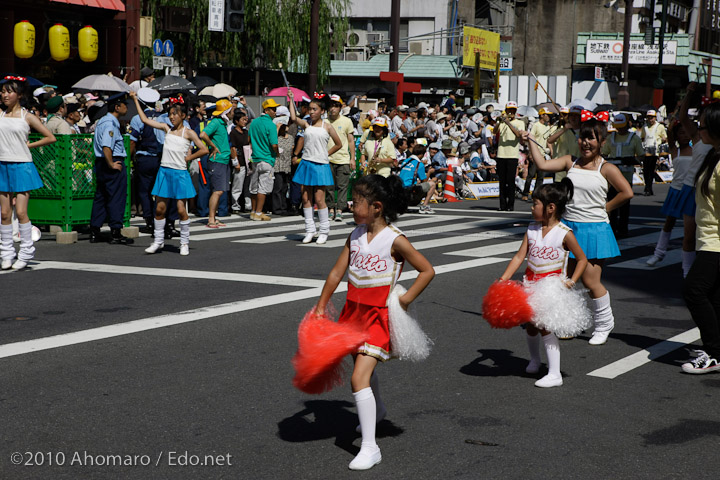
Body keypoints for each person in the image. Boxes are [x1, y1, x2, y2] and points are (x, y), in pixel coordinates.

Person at [314, 174, 435, 470]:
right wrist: (321, 305)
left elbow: (427, 270)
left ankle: (370, 447)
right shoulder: (354, 234)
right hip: (353, 313)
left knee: (358, 378)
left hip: (377, 317)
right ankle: (377, 410)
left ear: (377, 207)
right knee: (360, 367)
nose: (350, 206)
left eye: (356, 202)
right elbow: (335, 273)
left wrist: (404, 302)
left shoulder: (395, 239)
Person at [524, 118, 633, 345]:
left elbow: (626, 192)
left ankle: (604, 324)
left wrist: (606, 208)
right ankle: (569, 322)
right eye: (583, 137)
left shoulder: (607, 168)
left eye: (591, 138)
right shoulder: (569, 162)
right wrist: (531, 140)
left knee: (591, 282)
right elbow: (542, 164)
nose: (585, 143)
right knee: (566, 280)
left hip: (595, 229)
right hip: (568, 228)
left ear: (601, 141)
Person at [499, 179, 588, 387]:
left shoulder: (565, 233)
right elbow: (519, 257)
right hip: (530, 284)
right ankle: (535, 359)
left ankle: (555, 374)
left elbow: (582, 259)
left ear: (550, 208)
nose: (531, 208)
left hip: (551, 287)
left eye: (535, 204)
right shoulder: (531, 229)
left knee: (546, 327)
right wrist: (504, 278)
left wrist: (571, 281)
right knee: (530, 326)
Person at [130, 93, 208, 255]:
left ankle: (184, 242)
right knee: (159, 209)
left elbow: (204, 149)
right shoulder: (167, 128)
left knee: (181, 209)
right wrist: (135, 100)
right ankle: (158, 241)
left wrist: (188, 157)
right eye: (170, 114)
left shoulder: (188, 132)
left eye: (175, 114)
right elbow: (145, 120)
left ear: (183, 116)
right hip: (164, 171)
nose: (171, 117)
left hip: (180, 173)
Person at [0, 76, 56, 270]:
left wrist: (29, 145)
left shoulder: (27, 116)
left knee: (22, 212)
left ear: (19, 95)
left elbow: (50, 137)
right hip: (2, 165)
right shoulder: (0, 114)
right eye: (3, 91)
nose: (4, 95)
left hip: (22, 165)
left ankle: (25, 252)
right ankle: (6, 253)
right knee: (5, 213)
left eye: (9, 91)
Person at [682, 102, 720, 374]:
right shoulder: (712, 154)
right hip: (707, 238)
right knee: (713, 297)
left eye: (703, 125)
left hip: (716, 242)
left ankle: (714, 352)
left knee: (694, 290)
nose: (699, 128)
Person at [288, 90, 342, 244]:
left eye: (314, 109)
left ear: (322, 111)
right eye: (310, 109)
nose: (311, 112)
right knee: (305, 198)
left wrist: (326, 154)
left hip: (321, 165)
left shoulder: (328, 126)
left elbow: (339, 144)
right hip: (306, 162)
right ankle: (310, 230)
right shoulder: (306, 124)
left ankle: (324, 231)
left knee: (319, 198)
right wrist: (291, 100)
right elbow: (293, 118)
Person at [90, 92, 135, 245]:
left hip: (101, 163)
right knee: (116, 197)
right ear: (117, 107)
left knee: (101, 197)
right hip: (112, 162)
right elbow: (106, 146)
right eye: (124, 105)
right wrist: (111, 163)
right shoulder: (110, 124)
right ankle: (115, 232)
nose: (126, 108)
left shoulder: (102, 121)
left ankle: (94, 231)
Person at [646, 119, 692, 269]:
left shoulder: (697, 148)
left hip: (691, 190)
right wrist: (677, 117)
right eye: (681, 133)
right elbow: (670, 132)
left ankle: (687, 266)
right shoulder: (675, 149)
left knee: (689, 228)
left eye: (686, 133)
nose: (684, 136)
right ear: (676, 136)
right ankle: (658, 254)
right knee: (668, 223)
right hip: (676, 190)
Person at [601, 113, 643, 238]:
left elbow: (641, 155)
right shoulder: (611, 137)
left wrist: (633, 160)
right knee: (612, 201)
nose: (619, 129)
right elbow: (604, 153)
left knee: (624, 203)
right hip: (612, 175)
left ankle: (623, 228)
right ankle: (612, 228)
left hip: (626, 175)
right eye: (617, 126)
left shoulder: (634, 138)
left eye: (622, 126)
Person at [199, 99, 233, 227]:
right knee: (217, 190)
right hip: (217, 160)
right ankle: (211, 219)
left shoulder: (222, 123)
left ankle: (214, 217)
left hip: (223, 160)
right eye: (231, 110)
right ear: (226, 112)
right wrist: (213, 146)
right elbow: (203, 134)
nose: (233, 113)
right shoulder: (216, 122)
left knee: (220, 190)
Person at [247, 98, 281, 221]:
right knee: (263, 187)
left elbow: (249, 140)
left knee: (254, 186)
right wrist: (277, 153)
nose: (275, 112)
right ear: (266, 110)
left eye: (275, 109)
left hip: (255, 158)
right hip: (267, 158)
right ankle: (258, 212)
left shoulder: (254, 123)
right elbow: (274, 144)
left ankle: (253, 211)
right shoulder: (271, 125)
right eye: (273, 109)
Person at [326, 95, 356, 222]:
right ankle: (330, 209)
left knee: (343, 186)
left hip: (343, 158)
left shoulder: (346, 121)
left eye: (336, 106)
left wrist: (352, 158)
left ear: (340, 107)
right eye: (331, 105)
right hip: (327, 158)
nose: (333, 108)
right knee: (328, 186)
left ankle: (339, 210)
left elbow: (350, 141)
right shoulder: (324, 121)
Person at [495, 102, 525, 211]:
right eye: (509, 110)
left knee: (510, 181)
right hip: (501, 154)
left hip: (512, 155)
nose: (511, 112)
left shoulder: (519, 122)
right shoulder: (502, 122)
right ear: (506, 110)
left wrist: (508, 123)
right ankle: (502, 205)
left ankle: (510, 205)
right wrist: (499, 122)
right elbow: (494, 131)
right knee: (502, 181)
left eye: (513, 110)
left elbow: (518, 135)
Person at [522, 107, 554, 201]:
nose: (548, 117)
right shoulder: (536, 125)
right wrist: (531, 152)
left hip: (543, 154)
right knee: (530, 175)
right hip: (535, 153)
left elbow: (549, 141)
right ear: (542, 115)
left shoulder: (548, 127)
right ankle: (525, 192)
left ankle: (535, 195)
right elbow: (530, 139)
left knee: (540, 177)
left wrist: (551, 152)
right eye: (547, 115)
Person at [398, 144, 437, 214]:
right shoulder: (419, 164)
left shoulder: (405, 161)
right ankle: (424, 207)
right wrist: (429, 172)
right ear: (422, 154)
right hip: (410, 193)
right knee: (432, 184)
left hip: (400, 192)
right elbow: (424, 181)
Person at [640, 110, 667, 196]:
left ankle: (648, 187)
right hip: (646, 150)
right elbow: (643, 137)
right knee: (645, 169)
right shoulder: (645, 127)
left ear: (655, 118)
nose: (650, 119)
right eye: (649, 118)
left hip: (655, 150)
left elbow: (664, 137)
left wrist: (663, 140)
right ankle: (647, 186)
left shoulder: (660, 126)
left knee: (651, 169)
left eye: (652, 118)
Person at [271, 106, 293, 215]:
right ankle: (277, 208)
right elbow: (273, 143)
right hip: (277, 165)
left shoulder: (290, 138)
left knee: (284, 188)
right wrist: (277, 128)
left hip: (286, 166)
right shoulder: (276, 137)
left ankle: (284, 207)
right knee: (277, 188)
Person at [229, 109, 251, 213]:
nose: (245, 121)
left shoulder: (246, 132)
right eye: (243, 119)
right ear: (236, 121)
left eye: (245, 119)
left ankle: (247, 205)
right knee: (237, 185)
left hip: (248, 162)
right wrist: (235, 162)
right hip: (240, 162)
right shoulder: (233, 133)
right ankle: (235, 206)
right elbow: (232, 148)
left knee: (248, 185)